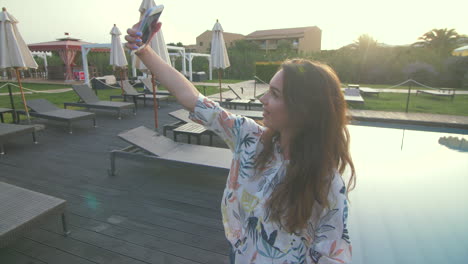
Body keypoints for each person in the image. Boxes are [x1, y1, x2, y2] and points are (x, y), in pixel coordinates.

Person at [126, 21, 356, 264]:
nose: (263, 99)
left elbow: (334, 254)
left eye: (275, 95)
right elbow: (192, 98)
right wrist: (145, 52)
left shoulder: (326, 180)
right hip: (239, 253)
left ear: (303, 110)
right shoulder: (250, 138)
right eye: (269, 89)